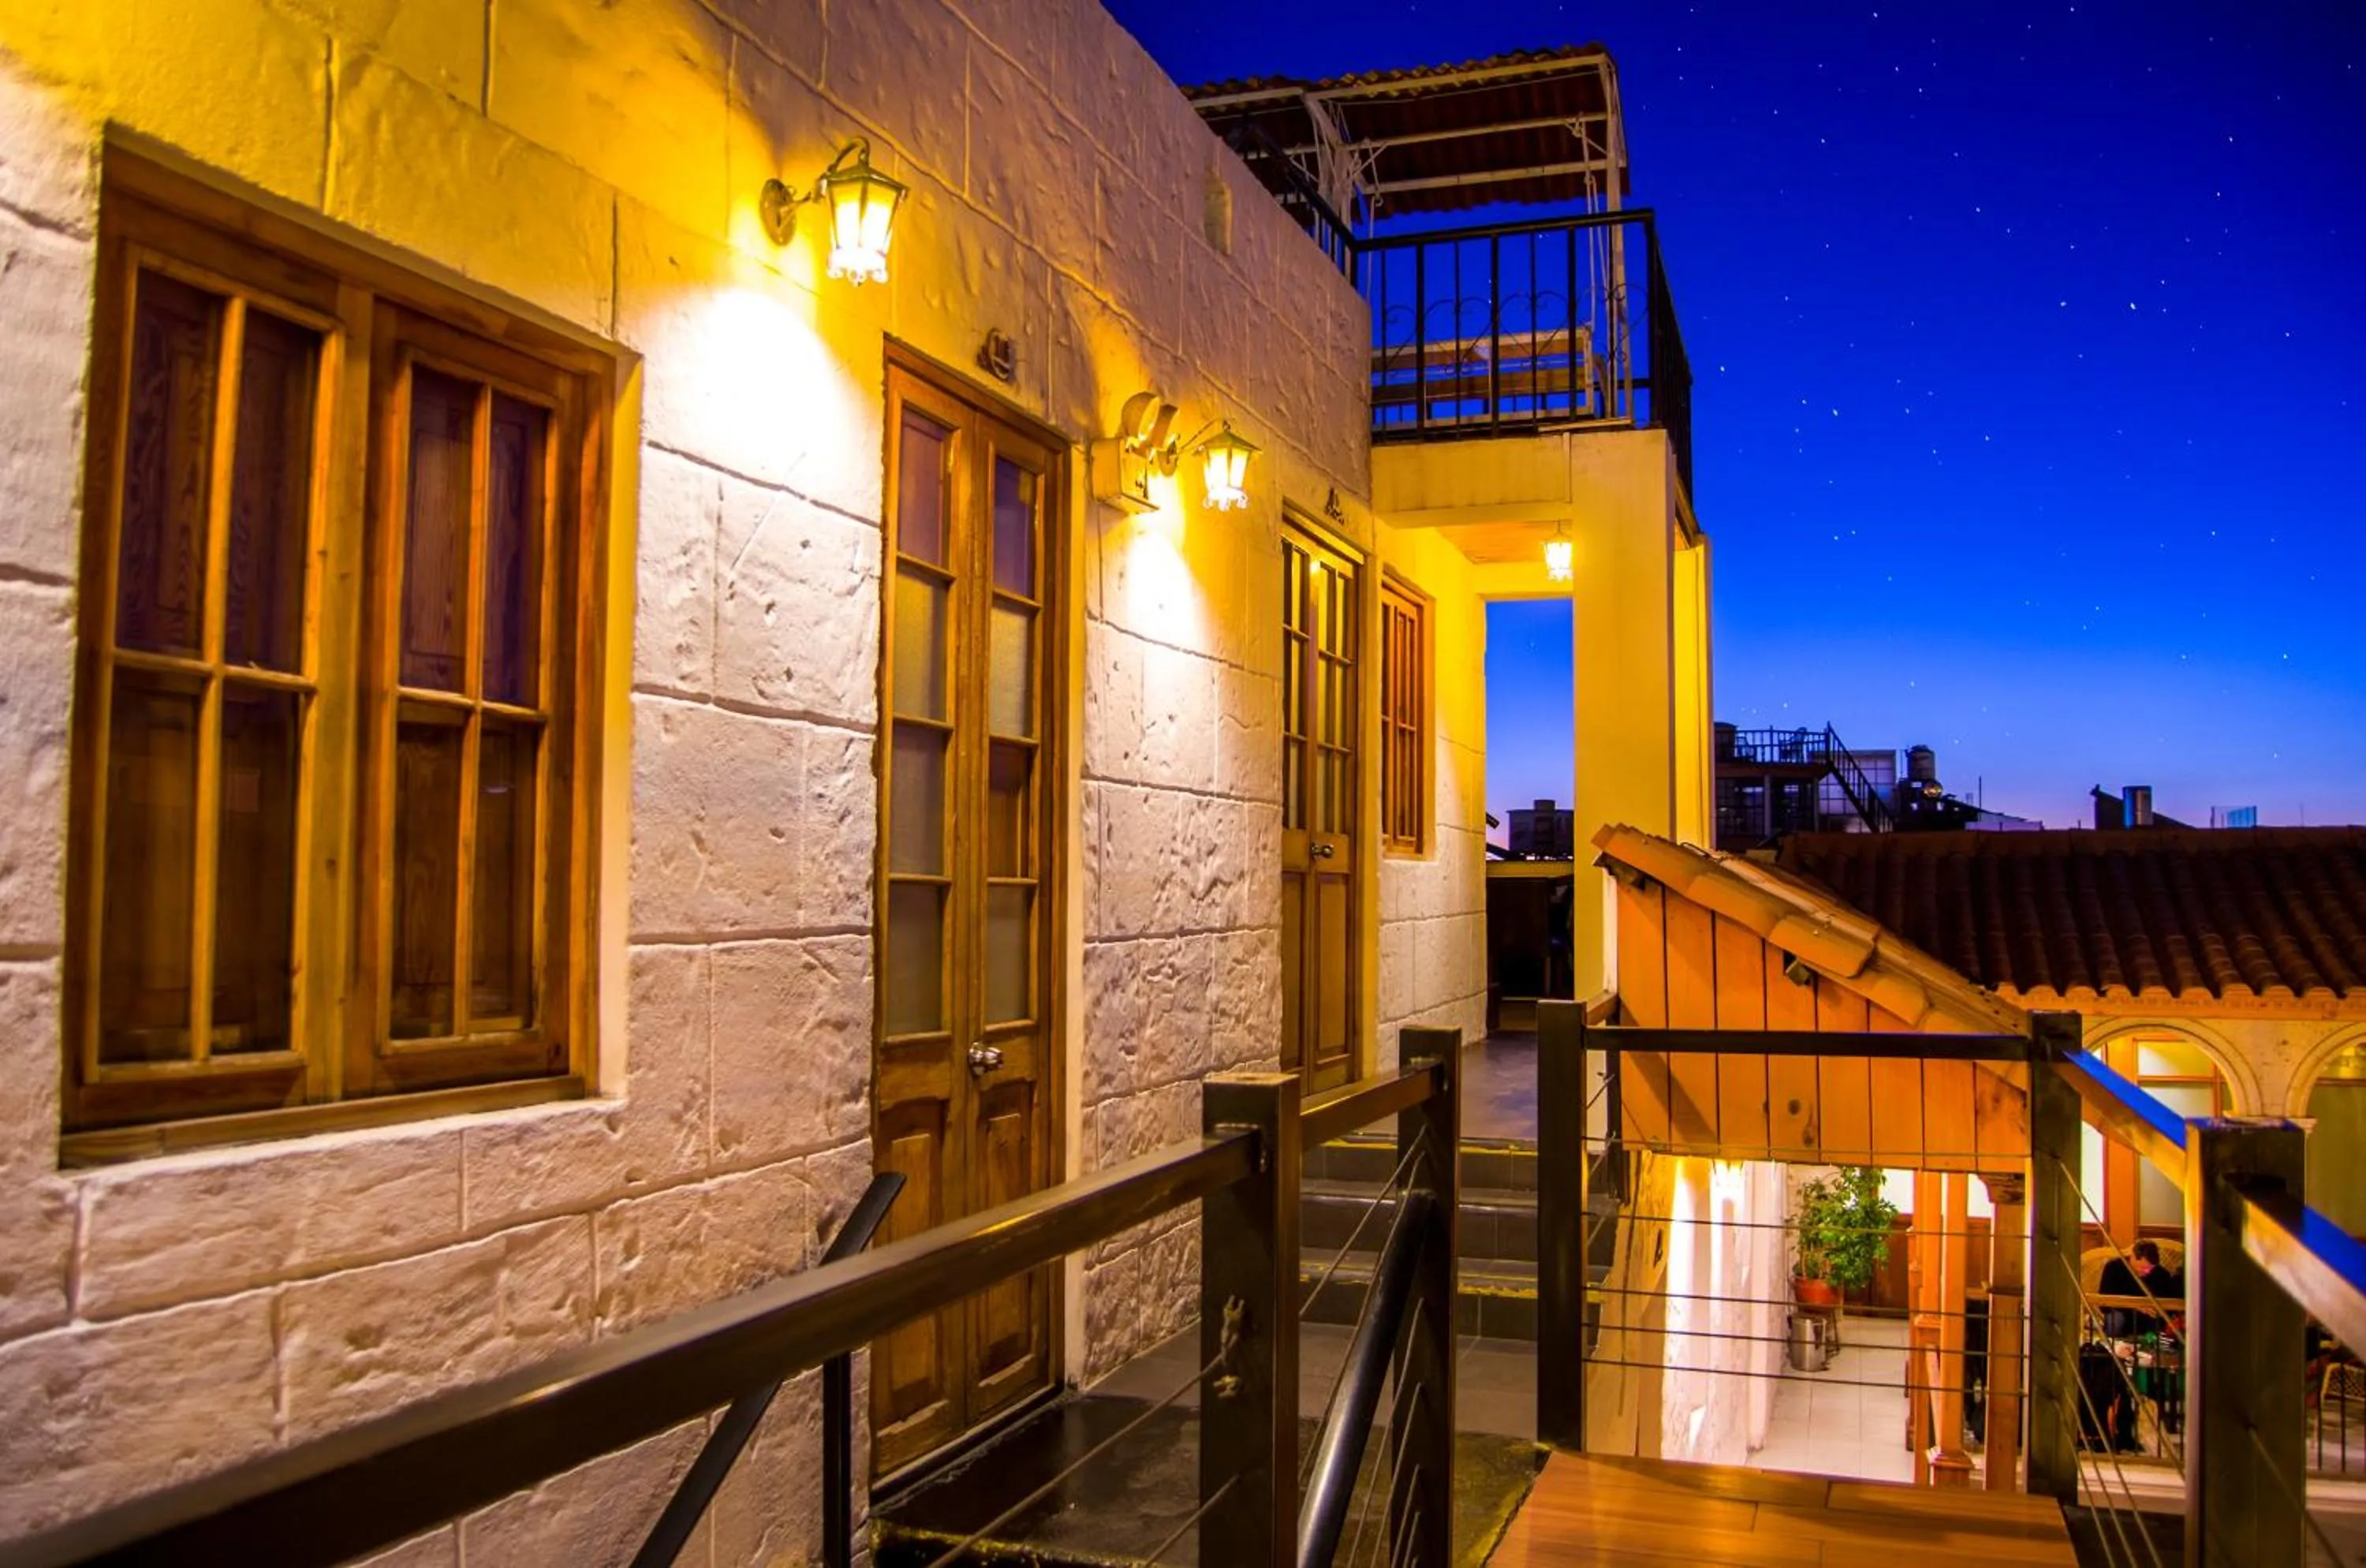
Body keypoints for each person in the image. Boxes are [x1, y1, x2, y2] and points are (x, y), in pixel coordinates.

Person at [2097, 1240, 2182, 1341]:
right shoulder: (2114, 1267)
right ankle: (2114, 1349)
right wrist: (2135, 1306)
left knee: (2158, 1319)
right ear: (2133, 1257)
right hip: (2122, 1311)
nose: (2147, 1272)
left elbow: (2167, 1301)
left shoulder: (2160, 1274)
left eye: (2151, 1269)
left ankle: (2151, 1348)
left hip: (2147, 1316)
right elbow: (2106, 1299)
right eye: (2143, 1267)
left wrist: (2156, 1308)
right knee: (2116, 1318)